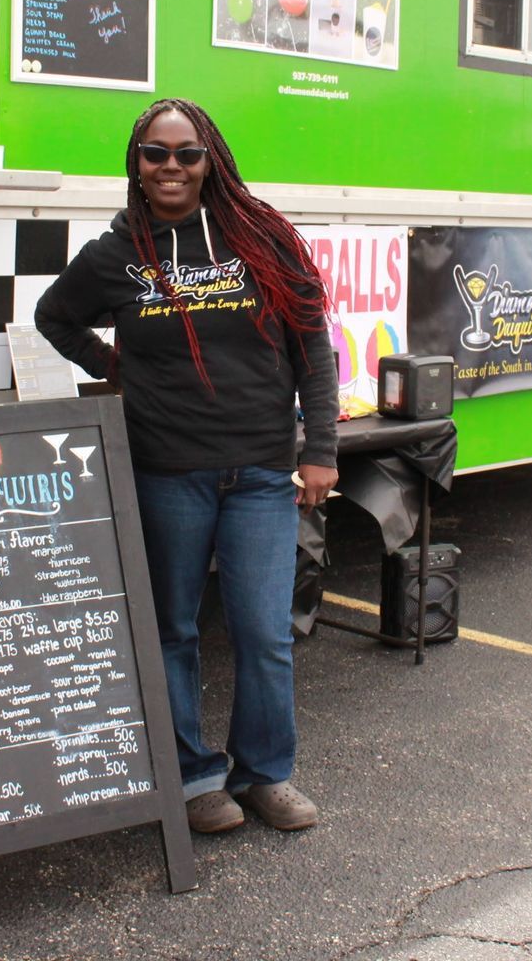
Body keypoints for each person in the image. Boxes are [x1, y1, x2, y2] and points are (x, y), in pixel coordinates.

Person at [34, 98, 340, 834]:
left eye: (186, 154)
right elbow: (55, 316)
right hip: (167, 468)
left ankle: (266, 773)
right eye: (155, 154)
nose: (170, 167)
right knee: (173, 628)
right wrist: (115, 367)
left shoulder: (264, 240)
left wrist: (321, 446)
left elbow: (312, 345)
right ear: (136, 165)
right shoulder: (118, 253)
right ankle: (197, 776)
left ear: (212, 161)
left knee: (264, 630)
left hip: (262, 470)